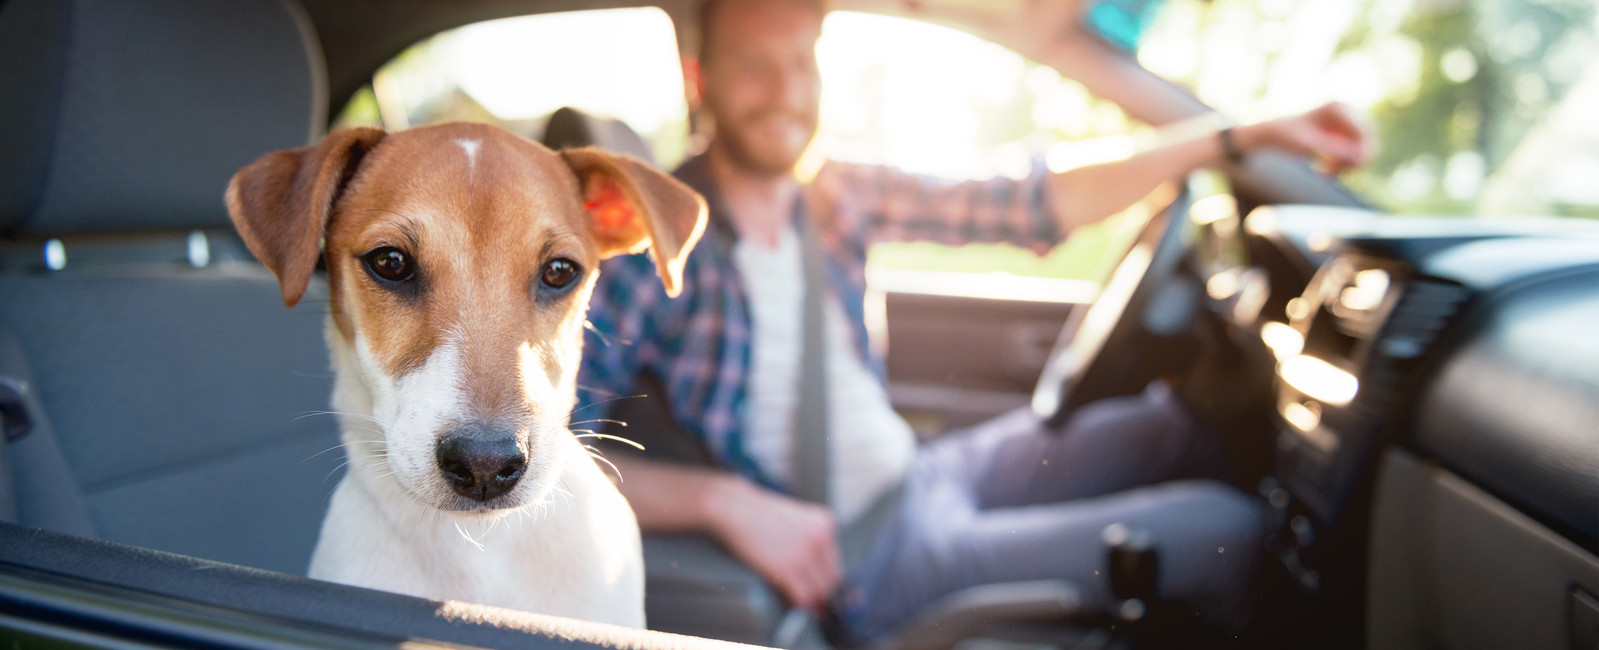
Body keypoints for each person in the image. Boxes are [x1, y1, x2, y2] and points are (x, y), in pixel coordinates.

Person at [578, 0, 1369, 641]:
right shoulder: (646, 248)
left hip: (923, 474)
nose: (783, 90)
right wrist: (725, 503)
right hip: (871, 556)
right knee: (1229, 531)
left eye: (800, 63)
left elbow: (1031, 198)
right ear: (699, 78)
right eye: (754, 63)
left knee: (1174, 424)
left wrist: (1236, 138)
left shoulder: (834, 193)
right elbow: (551, 459)